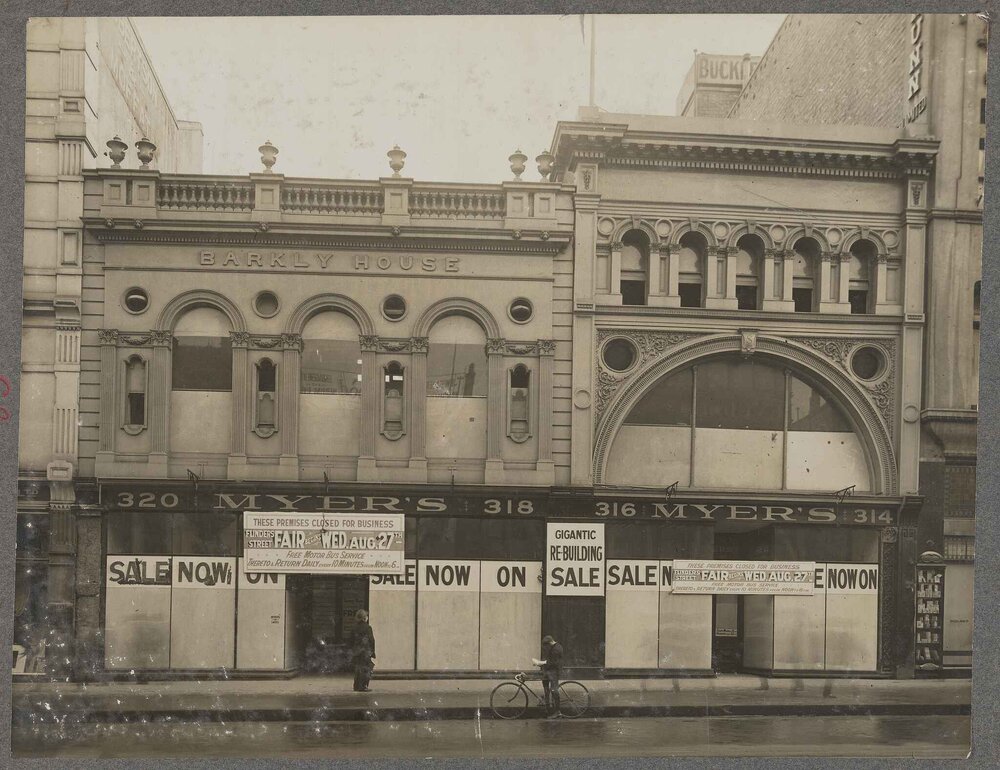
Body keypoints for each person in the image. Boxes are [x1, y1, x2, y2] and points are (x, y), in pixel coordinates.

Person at [537, 634, 564, 718]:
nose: (546, 647)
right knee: (546, 689)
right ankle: (548, 708)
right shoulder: (554, 647)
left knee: (554, 691)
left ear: (550, 642)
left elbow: (553, 662)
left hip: (554, 672)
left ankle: (557, 712)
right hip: (550, 671)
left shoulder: (556, 649)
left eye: (547, 645)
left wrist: (541, 663)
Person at [350, 609, 376, 692]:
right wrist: (373, 651)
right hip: (365, 651)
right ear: (364, 617)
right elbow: (371, 640)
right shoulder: (368, 627)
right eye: (366, 616)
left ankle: (356, 686)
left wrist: (352, 649)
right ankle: (363, 686)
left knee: (358, 668)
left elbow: (351, 640)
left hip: (357, 651)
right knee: (366, 669)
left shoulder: (354, 627)